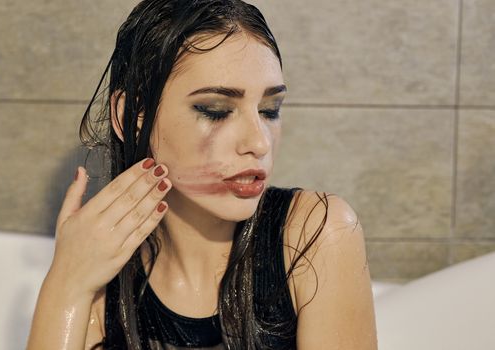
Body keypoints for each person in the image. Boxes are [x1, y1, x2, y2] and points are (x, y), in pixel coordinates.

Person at [27, 0, 377, 349]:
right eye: (216, 111)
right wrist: (66, 284)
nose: (258, 142)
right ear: (132, 115)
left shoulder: (315, 234)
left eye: (270, 110)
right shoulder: (99, 285)